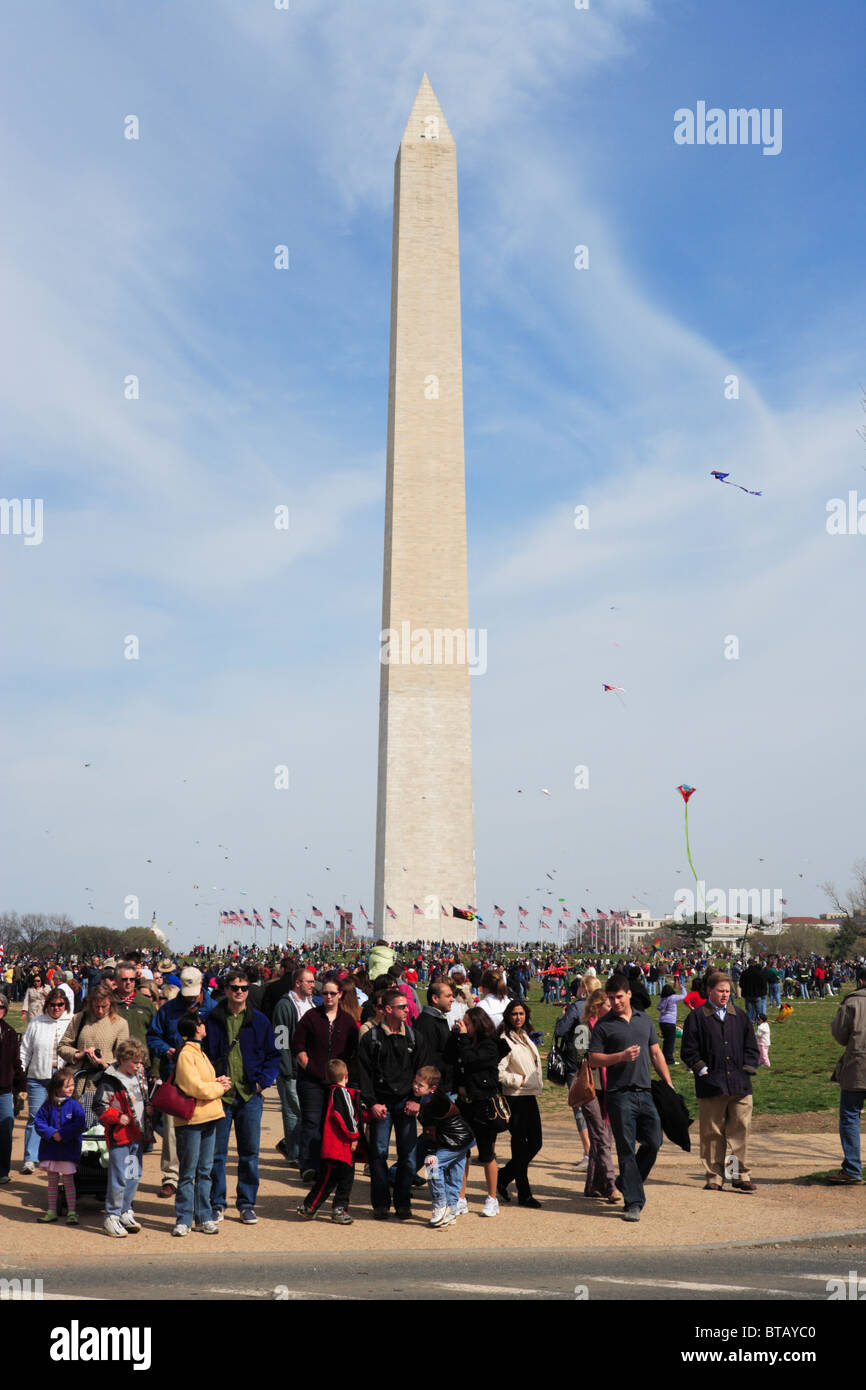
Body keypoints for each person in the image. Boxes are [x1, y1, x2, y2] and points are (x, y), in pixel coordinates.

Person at [588, 973, 674, 1222]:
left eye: (619, 997)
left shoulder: (644, 1020)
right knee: (626, 1150)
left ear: (628, 995)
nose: (615, 1002)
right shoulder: (604, 1025)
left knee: (654, 1141)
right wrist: (620, 1057)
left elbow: (656, 1053)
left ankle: (625, 1181)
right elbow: (593, 1059)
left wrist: (667, 1083)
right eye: (611, 998)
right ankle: (634, 1202)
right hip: (619, 1095)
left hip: (645, 1093)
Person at [204, 968, 280, 1225]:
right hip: (220, 1095)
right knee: (217, 1154)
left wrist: (262, 1082)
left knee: (249, 1153)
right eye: (235, 988)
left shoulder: (260, 1020)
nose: (239, 992)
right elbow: (201, 1054)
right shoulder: (212, 1018)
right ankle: (217, 1202)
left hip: (249, 1095)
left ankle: (246, 1203)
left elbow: (273, 1054)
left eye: (244, 988)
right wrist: (211, 1079)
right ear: (225, 990)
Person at [680, 971, 759, 1193]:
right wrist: (702, 1069)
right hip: (711, 1085)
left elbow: (751, 1046)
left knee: (739, 1131)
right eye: (720, 991)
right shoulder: (697, 1017)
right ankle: (714, 1176)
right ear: (709, 991)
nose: (725, 995)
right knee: (712, 1133)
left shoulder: (740, 1016)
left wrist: (748, 1067)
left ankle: (737, 1175)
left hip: (739, 1085)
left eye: (727, 991)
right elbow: (688, 1049)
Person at [147, 965, 217, 1199]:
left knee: (205, 1128)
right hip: (175, 1077)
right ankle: (171, 1177)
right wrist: (164, 1049)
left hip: (205, 1079)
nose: (189, 1000)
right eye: (185, 996)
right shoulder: (168, 1010)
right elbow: (153, 1036)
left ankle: (200, 1177)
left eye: (193, 996)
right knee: (171, 1130)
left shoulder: (213, 1009)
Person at [357, 987, 425, 1220]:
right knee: (378, 1153)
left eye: (407, 1006)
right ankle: (381, 1203)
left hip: (407, 1104)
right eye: (402, 1007)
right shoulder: (371, 1038)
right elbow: (363, 1076)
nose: (407, 1010)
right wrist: (372, 1103)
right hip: (381, 1105)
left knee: (408, 1156)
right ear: (388, 1009)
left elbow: (423, 1072)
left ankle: (403, 1203)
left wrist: (416, 1100)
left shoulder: (415, 1037)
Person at [292, 976, 359, 1181]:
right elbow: (298, 1046)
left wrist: (341, 1076)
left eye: (332, 993)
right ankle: (308, 1166)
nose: (328, 997)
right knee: (311, 1122)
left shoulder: (347, 1021)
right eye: (325, 993)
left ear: (340, 995)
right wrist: (313, 1069)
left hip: (337, 1082)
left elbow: (352, 1052)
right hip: (311, 1079)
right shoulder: (311, 1017)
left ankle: (327, 1165)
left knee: (332, 1123)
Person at [446, 1005, 509, 1218]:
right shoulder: (464, 1042)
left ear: (478, 1025)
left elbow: (471, 1060)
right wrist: (455, 1036)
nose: (464, 1026)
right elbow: (450, 1057)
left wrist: (463, 1039)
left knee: (486, 1154)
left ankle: (492, 1198)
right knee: (462, 1151)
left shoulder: (490, 1046)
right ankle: (460, 1197)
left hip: (483, 1106)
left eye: (467, 1023)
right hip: (464, 1104)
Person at [172, 1013, 231, 1237]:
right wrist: (220, 1088)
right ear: (197, 1028)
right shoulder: (187, 1054)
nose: (205, 1026)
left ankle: (204, 1216)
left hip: (208, 1116)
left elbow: (202, 1082)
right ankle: (184, 1218)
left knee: (205, 1171)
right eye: (202, 1023)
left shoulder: (199, 1052)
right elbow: (193, 1087)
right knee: (188, 1172)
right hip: (192, 1119)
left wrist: (216, 1082)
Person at [94, 1038, 150, 1236]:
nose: (138, 1066)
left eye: (140, 1062)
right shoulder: (110, 1079)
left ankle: (126, 1210)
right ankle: (112, 1215)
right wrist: (118, 1117)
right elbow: (99, 1106)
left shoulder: (139, 1076)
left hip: (137, 1136)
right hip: (120, 1137)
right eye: (135, 1062)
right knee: (119, 1177)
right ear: (124, 1060)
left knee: (134, 1175)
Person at [296, 1059, 361, 1224]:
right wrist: (354, 1136)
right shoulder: (341, 1092)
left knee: (328, 1179)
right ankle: (333, 1208)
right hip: (341, 1147)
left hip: (333, 1147)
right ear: (346, 1076)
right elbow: (345, 1117)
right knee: (339, 1180)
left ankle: (312, 1206)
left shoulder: (330, 1092)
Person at [496, 999, 543, 1207]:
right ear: (508, 1016)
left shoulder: (523, 1036)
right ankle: (524, 1193)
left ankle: (503, 1177)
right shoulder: (504, 1039)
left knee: (535, 1143)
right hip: (515, 1097)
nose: (518, 1017)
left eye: (521, 1014)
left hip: (529, 1096)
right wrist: (519, 1080)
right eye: (514, 1014)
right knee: (520, 1145)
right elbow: (499, 1071)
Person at [415, 1065, 474, 1228]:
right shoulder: (434, 1096)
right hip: (461, 1139)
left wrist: (431, 1153)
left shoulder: (430, 1103)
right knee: (455, 1173)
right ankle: (452, 1211)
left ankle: (440, 1205)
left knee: (432, 1164)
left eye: (420, 1085)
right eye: (415, 1082)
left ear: (432, 1088)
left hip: (456, 1141)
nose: (415, 1087)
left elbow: (429, 1132)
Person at [20, 986, 71, 1173]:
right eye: (52, 1004)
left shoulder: (72, 1021)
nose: (56, 1008)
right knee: (35, 1117)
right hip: (38, 1077)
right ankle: (29, 1158)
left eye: (60, 1004)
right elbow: (25, 1051)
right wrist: (21, 1071)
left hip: (63, 1079)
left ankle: (60, 1156)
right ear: (46, 1005)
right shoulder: (36, 1023)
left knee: (64, 1118)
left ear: (65, 1005)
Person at [827, 963, 866, 1185]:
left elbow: (840, 1034)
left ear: (860, 982)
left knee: (850, 1116)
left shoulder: (852, 1002)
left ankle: (852, 1168)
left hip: (857, 1064)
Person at [272, 965, 315, 1166]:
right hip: (291, 1069)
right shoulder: (285, 1005)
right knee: (293, 1112)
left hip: (309, 1069)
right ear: (298, 983)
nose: (313, 985)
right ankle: (295, 1154)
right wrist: (286, 1069)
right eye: (309, 981)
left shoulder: (310, 1003)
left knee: (305, 1112)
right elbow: (280, 1039)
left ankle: (291, 1146)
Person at [579, 988, 619, 1203]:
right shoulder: (583, 1027)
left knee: (604, 1137)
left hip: (609, 1085)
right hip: (590, 1087)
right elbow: (578, 1055)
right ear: (596, 1006)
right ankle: (611, 1185)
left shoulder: (611, 1026)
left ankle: (595, 1186)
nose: (612, 1007)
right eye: (607, 1004)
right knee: (601, 1137)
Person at [33, 1066, 86, 1224]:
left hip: (68, 1150)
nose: (71, 1088)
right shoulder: (47, 1105)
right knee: (52, 1183)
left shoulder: (75, 1105)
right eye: (67, 1086)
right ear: (57, 1088)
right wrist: (51, 1133)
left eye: (72, 1085)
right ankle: (51, 1211)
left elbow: (79, 1123)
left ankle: (71, 1212)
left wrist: (62, 1134)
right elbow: (38, 1122)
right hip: (50, 1150)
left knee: (69, 1182)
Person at [58, 986, 129, 1097]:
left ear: (110, 1003)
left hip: (103, 1084)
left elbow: (123, 1059)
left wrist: (104, 1064)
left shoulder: (120, 1024)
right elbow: (62, 1046)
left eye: (104, 1006)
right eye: (96, 1006)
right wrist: (78, 1054)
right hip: (77, 1082)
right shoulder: (79, 1018)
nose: (100, 1010)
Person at [0, 993, 26, 1184]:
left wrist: (21, 1085)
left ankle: (2, 1171)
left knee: (6, 1130)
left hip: (4, 1090)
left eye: (1, 1007)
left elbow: (16, 1063)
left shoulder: (9, 1032)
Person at [657, 983, 688, 1065]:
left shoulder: (663, 998)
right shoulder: (673, 998)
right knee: (670, 1042)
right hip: (670, 1022)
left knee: (666, 1041)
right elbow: (684, 996)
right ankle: (669, 1060)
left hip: (662, 1022)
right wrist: (683, 988)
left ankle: (664, 1058)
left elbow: (658, 1008)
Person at [739, 959, 768, 1023]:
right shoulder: (759, 973)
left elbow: (741, 984)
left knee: (749, 1010)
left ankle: (749, 1022)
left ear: (748, 964)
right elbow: (763, 984)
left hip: (747, 994)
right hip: (757, 994)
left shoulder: (744, 973)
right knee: (758, 1011)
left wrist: (745, 989)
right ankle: (760, 1022)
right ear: (754, 964)